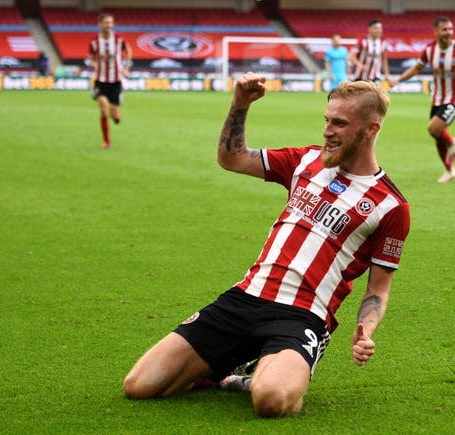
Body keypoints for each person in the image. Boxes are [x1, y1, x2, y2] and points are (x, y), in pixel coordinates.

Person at [122, 72, 411, 418]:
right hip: (245, 298)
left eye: (339, 123)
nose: (327, 131)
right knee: (139, 385)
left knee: (271, 400)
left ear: (370, 130)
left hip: (302, 315)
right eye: (326, 120)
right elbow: (233, 158)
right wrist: (240, 104)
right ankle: (229, 368)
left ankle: (260, 374)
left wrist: (366, 330)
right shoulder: (305, 160)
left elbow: (378, 290)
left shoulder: (391, 206)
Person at [390, 16, 455, 183]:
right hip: (437, 98)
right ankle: (449, 169)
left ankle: (452, 142)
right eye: (444, 29)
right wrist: (398, 80)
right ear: (436, 31)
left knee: (433, 128)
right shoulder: (429, 50)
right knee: (437, 135)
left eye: (450, 29)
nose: (448, 32)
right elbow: (416, 69)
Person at [88, 12, 132, 149]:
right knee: (103, 107)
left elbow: (129, 51)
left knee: (115, 116)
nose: (109, 25)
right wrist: (93, 63)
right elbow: (90, 56)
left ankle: (116, 115)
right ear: (100, 24)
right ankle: (106, 141)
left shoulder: (119, 40)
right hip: (100, 80)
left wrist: (126, 67)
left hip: (116, 81)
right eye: (106, 22)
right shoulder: (95, 42)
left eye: (111, 22)